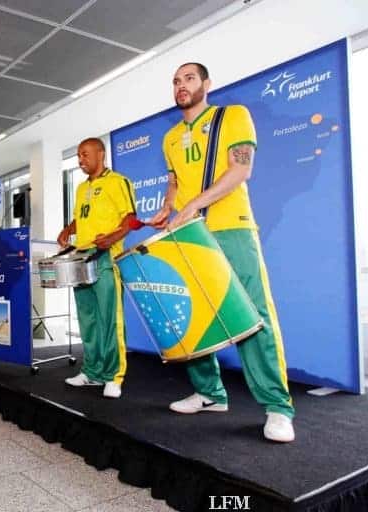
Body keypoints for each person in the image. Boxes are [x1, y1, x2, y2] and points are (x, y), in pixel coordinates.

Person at [150, 62, 295, 442]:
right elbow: (174, 182)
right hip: (187, 234)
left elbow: (240, 171)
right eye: (176, 81)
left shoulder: (232, 116)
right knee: (195, 318)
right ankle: (210, 392)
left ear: (207, 84)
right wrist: (169, 206)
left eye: (189, 79)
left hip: (231, 226)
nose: (181, 86)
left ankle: (277, 407)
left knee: (253, 314)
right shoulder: (169, 138)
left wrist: (195, 203)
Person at [57, 138, 137, 398]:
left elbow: (131, 218)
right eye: (78, 156)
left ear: (100, 154)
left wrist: (113, 238)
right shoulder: (81, 189)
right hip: (82, 258)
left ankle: (114, 375)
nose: (80, 160)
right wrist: (69, 229)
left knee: (109, 319)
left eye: (85, 154)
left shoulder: (118, 182)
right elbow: (82, 217)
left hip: (106, 258)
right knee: (88, 319)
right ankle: (92, 372)